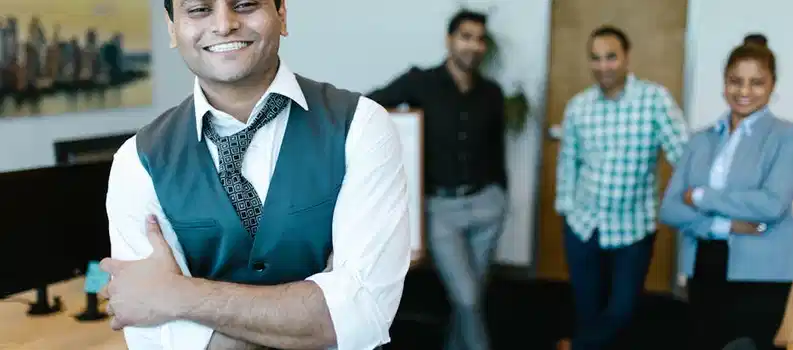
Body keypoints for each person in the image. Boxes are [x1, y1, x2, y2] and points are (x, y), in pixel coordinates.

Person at [98, 0, 411, 349]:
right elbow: (152, 338)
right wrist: (314, 313)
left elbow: (364, 314)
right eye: (199, 9)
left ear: (282, 15)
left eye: (245, 4)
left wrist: (178, 295)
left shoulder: (362, 126)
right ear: (173, 28)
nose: (224, 24)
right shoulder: (137, 160)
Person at [366, 9, 507, 350]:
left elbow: (497, 150)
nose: (473, 45)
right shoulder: (421, 81)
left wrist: (503, 195)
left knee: (470, 296)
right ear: (450, 40)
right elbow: (368, 106)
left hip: (488, 205)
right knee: (469, 298)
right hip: (441, 209)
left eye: (479, 39)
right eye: (465, 36)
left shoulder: (491, 93)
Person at [660, 38, 793, 350]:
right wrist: (723, 225)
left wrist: (700, 197)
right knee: (706, 343)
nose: (744, 91)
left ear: (772, 85)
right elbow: (669, 208)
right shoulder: (700, 139)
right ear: (724, 84)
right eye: (735, 81)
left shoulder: (790, 137)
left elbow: (771, 204)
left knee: (746, 345)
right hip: (706, 260)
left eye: (756, 82)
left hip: (764, 267)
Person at [555, 25, 689, 350]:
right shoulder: (578, 106)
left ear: (627, 58)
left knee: (622, 310)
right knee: (588, 310)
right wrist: (568, 212)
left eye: (611, 57)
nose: (603, 66)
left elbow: (683, 155)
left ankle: (576, 347)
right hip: (584, 226)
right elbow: (568, 164)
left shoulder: (654, 100)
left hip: (633, 229)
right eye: (596, 58)